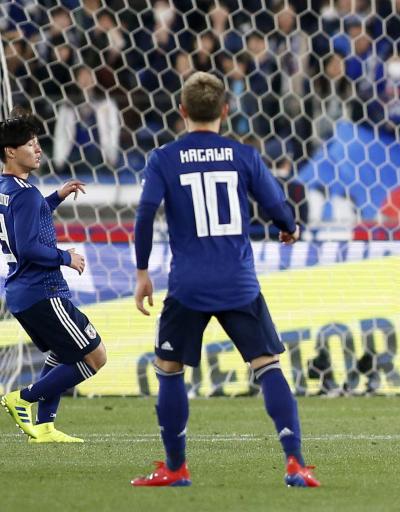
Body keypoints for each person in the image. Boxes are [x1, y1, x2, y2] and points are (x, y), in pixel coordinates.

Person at [130, 71, 319, 488]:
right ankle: (295, 463)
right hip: (238, 282)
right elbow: (275, 203)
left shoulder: (163, 158)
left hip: (188, 286)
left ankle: (176, 468)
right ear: (226, 111)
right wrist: (288, 226)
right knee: (267, 365)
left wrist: (142, 272)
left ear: (182, 111)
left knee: (169, 368)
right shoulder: (243, 154)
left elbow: (145, 213)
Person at [0, 111, 107, 443]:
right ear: (10, 151)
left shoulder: (8, 189)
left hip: (22, 292)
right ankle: (23, 398)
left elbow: (27, 219)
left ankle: (45, 426)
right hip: (42, 290)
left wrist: (56, 196)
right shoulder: (25, 194)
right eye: (30, 144)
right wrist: (66, 257)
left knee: (63, 351)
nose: (38, 149)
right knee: (95, 357)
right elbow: (29, 247)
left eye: (37, 142)